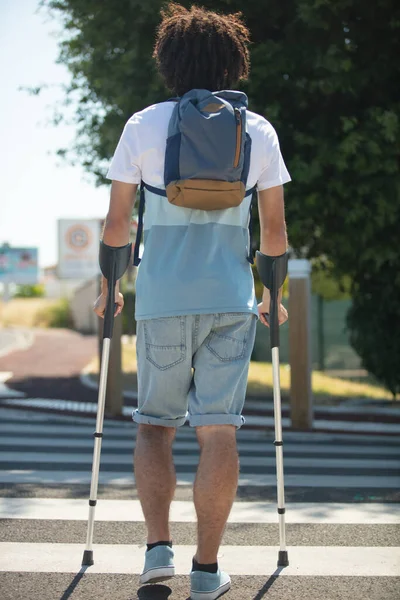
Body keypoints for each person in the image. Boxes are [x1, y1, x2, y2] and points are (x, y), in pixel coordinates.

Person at [94, 3, 290, 599]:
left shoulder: (142, 125)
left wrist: (111, 286)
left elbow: (118, 223)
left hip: (162, 299)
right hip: (231, 299)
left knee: (155, 426)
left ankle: (158, 554)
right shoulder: (256, 130)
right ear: (235, 60)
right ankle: (207, 571)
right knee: (218, 431)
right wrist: (271, 293)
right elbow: (275, 232)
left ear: (168, 61)